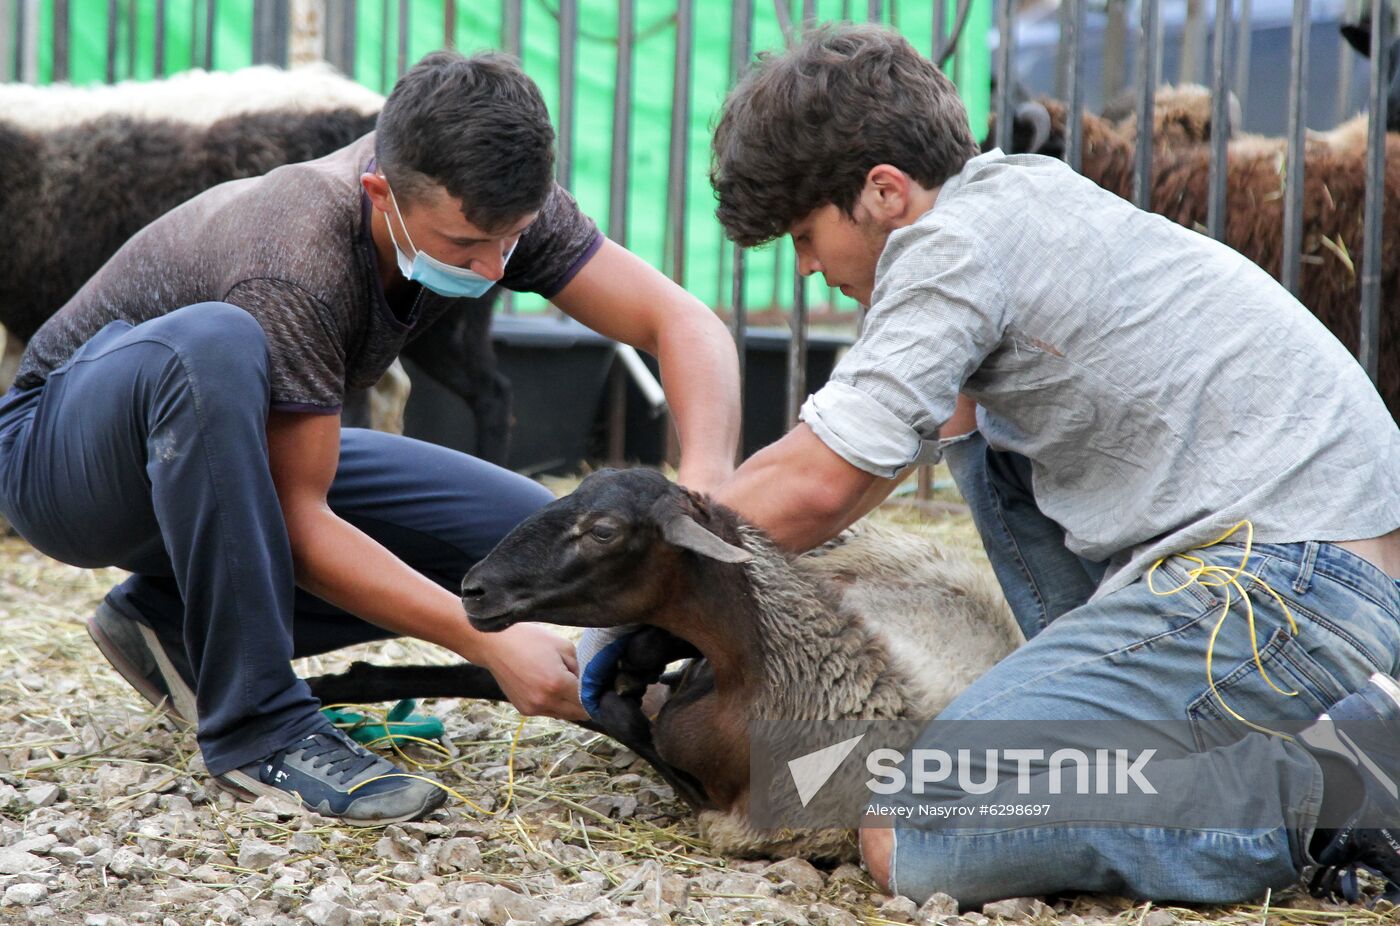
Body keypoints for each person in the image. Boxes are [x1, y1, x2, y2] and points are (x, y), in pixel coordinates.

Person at [705, 23, 1400, 906]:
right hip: (1303, 580)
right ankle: (1337, 732)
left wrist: (639, 577)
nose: (806, 269)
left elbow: (819, 480)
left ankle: (1327, 799)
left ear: (883, 191)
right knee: (933, 755)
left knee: (914, 828)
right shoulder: (1019, 202)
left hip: (1274, 587)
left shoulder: (949, 247)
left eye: (805, 235)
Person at [0, 50, 739, 825]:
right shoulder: (297, 253)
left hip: (223, 461)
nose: (491, 270)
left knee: (526, 537)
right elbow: (301, 522)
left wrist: (704, 490)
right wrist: (483, 641)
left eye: (511, 242)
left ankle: (171, 625)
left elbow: (681, 321)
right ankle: (258, 727)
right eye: (462, 247)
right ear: (381, 193)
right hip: (65, 462)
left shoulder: (494, 206)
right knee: (210, 345)